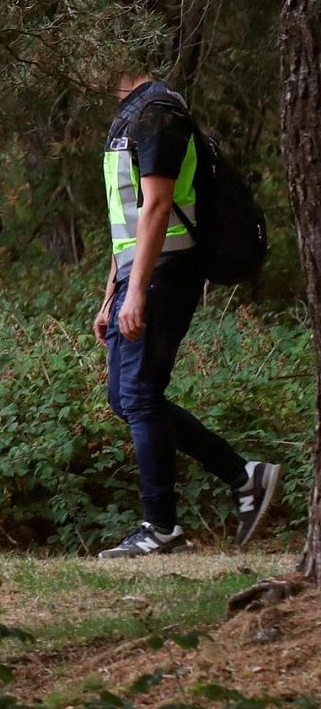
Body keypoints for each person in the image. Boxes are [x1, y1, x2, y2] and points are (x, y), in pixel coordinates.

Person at [93, 72, 281, 559]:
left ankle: (161, 527)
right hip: (140, 274)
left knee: (139, 394)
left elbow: (157, 209)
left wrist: (134, 293)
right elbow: (129, 217)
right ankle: (244, 475)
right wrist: (111, 293)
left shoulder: (158, 114)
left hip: (165, 273)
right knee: (125, 397)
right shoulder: (130, 118)